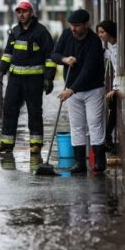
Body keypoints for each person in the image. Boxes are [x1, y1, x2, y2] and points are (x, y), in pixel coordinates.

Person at [0, 1, 58, 156]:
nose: (21, 14)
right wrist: (1, 70)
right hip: (15, 79)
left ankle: (36, 144)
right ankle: (6, 144)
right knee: (9, 109)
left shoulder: (41, 32)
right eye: (19, 12)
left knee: (34, 111)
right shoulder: (15, 31)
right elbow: (8, 53)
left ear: (31, 13)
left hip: (34, 79)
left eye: (24, 11)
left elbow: (50, 56)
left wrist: (49, 78)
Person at [51, 9, 106, 173]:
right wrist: (64, 59)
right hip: (72, 89)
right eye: (72, 25)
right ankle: (80, 163)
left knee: (95, 124)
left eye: (77, 26)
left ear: (86, 24)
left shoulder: (94, 42)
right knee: (76, 125)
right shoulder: (67, 35)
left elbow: (88, 70)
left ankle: (99, 162)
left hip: (93, 89)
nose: (73, 29)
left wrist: (72, 90)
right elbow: (54, 54)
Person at [97, 20, 119, 154]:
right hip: (118, 83)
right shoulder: (111, 45)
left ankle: (108, 137)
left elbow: (121, 68)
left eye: (102, 32)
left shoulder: (120, 46)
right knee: (113, 110)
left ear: (109, 32)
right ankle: (108, 137)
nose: (100, 35)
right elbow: (110, 57)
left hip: (122, 84)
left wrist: (116, 88)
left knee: (115, 111)